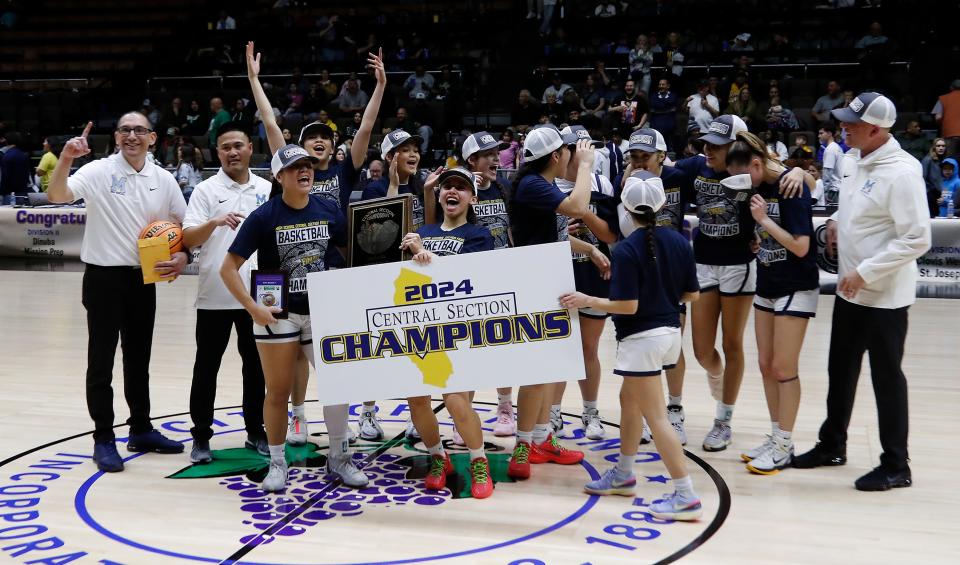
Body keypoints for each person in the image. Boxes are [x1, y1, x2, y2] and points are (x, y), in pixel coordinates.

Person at [247, 41, 386, 444]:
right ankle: (298, 416)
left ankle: (365, 415)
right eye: (312, 138)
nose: (320, 141)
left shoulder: (344, 172)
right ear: (296, 153)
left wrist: (378, 88)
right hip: (286, 276)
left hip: (334, 272)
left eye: (326, 137)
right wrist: (255, 81)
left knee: (344, 353)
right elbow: (272, 127)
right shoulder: (289, 171)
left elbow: (365, 129)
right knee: (295, 357)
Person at [794, 93, 932, 492]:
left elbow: (917, 238)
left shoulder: (902, 173)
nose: (844, 127)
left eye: (852, 124)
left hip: (883, 296)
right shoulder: (853, 157)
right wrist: (837, 219)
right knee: (840, 370)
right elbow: (857, 202)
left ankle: (896, 465)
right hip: (850, 290)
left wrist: (866, 273)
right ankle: (831, 445)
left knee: (886, 378)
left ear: (876, 129)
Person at [46, 114, 189, 472]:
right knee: (101, 363)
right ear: (117, 136)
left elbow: (186, 225)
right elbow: (58, 195)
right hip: (103, 279)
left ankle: (140, 428)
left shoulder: (164, 179)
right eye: (125, 129)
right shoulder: (98, 171)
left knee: (138, 360)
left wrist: (184, 254)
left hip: (144, 278)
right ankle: (103, 437)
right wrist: (65, 158)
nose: (132, 135)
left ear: (152, 138)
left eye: (139, 130)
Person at [220, 143, 366, 492]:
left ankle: (339, 458)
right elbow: (228, 268)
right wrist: (252, 308)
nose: (305, 170)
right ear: (279, 176)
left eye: (309, 165)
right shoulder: (264, 216)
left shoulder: (329, 208)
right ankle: (277, 462)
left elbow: (350, 254)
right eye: (296, 167)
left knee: (337, 384)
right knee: (278, 391)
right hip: (278, 311)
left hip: (321, 310)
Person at [560, 175, 703, 521]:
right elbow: (692, 295)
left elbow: (627, 306)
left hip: (641, 341)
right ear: (661, 206)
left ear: (625, 208)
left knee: (656, 418)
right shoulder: (680, 241)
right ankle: (623, 474)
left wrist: (587, 298)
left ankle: (685, 494)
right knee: (629, 400)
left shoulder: (625, 249)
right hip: (670, 336)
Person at [675, 115, 807, 452]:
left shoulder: (751, 172)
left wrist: (799, 171)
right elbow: (662, 172)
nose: (708, 150)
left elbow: (792, 176)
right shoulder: (695, 168)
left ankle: (724, 420)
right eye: (705, 143)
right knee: (703, 351)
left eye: (716, 145)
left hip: (739, 265)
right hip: (703, 264)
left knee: (733, 344)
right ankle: (719, 382)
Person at [722, 132, 818, 475]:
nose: (741, 185)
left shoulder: (792, 188)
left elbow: (802, 247)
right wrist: (756, 236)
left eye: (744, 175)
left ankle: (785, 443)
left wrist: (764, 221)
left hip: (797, 285)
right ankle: (776, 435)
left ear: (757, 164)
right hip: (767, 283)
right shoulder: (757, 188)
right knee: (765, 364)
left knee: (783, 368)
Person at [397, 167, 496, 498]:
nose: (453, 191)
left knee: (455, 401)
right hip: (421, 328)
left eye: (461, 187)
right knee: (416, 399)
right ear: (439, 195)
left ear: (472, 197)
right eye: (447, 187)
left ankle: (478, 460)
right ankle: (439, 456)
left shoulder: (480, 235)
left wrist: (428, 256)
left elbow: (470, 278)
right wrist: (406, 250)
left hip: (459, 330)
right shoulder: (421, 231)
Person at [182, 122, 272, 463]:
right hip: (215, 295)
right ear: (217, 153)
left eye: (238, 145)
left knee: (257, 367)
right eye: (225, 148)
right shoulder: (205, 190)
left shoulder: (267, 188)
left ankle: (256, 431)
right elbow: (189, 238)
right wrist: (215, 222)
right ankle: (201, 436)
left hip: (260, 296)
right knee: (206, 367)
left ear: (250, 147)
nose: (232, 152)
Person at [506, 125, 591, 479]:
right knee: (536, 371)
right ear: (556, 156)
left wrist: (591, 251)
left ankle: (541, 437)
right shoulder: (532, 185)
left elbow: (555, 235)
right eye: (569, 152)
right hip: (533, 283)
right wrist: (586, 165)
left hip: (548, 280)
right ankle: (524, 446)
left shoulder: (541, 184)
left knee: (549, 369)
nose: (573, 155)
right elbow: (579, 207)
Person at [619, 128, 691, 445]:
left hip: (670, 269)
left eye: (644, 156)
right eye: (633, 156)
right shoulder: (628, 183)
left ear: (661, 156)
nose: (639, 162)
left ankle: (674, 408)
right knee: (639, 352)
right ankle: (648, 415)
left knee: (672, 349)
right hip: (637, 271)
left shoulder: (680, 176)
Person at [553, 126, 617, 440]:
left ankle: (590, 411)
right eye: (575, 147)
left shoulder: (601, 183)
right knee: (558, 348)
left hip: (594, 278)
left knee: (588, 349)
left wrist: (587, 227)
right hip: (557, 275)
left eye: (585, 146)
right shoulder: (548, 185)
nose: (581, 152)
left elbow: (609, 236)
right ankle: (552, 413)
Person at [0, 131, 29, 204]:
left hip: (9, 193)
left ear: (7, 140)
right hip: (22, 192)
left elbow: (5, 176)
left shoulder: (7, 156)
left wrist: (2, 191)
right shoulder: (23, 154)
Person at [933, 79, 960, 157]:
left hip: (949, 135)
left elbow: (938, 117)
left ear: (951, 87)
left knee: (949, 161)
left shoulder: (943, 98)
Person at [649, 78, 678, 148]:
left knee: (668, 148)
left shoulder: (673, 96)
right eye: (660, 84)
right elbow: (653, 106)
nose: (661, 86)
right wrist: (668, 109)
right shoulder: (653, 96)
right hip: (656, 127)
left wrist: (657, 110)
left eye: (663, 84)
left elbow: (673, 107)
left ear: (668, 86)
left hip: (669, 128)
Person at [819, 124, 844, 205]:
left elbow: (827, 173)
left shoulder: (830, 149)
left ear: (829, 133)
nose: (819, 136)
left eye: (821, 133)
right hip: (839, 187)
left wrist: (825, 193)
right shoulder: (836, 147)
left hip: (833, 191)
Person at [921, 138, 946, 217]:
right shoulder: (928, 160)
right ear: (934, 147)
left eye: (943, 146)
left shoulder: (944, 160)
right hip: (930, 194)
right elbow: (922, 178)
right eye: (938, 146)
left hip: (940, 194)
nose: (941, 148)